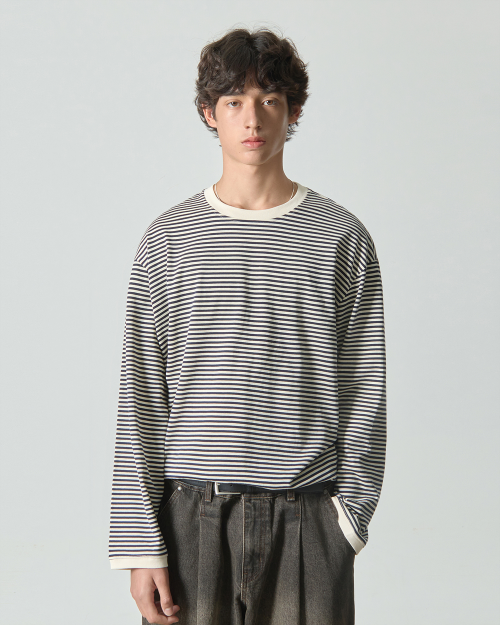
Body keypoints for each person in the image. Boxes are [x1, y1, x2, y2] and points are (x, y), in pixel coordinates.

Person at [108, 26, 387, 625]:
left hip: (308, 519)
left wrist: (349, 521)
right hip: (192, 521)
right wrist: (139, 543)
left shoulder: (341, 237)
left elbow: (364, 386)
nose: (252, 118)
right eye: (234, 101)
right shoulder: (167, 239)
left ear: (294, 111)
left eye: (269, 100)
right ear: (210, 113)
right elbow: (142, 393)